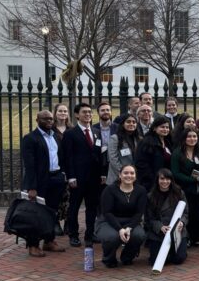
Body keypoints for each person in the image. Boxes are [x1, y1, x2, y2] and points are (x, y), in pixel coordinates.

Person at [20, 110, 67, 257]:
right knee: (37, 214)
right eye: (45, 119)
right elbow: (29, 165)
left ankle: (49, 241)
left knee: (52, 213)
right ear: (37, 120)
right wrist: (31, 187)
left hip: (56, 179)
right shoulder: (30, 138)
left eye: (51, 119)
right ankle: (33, 244)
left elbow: (60, 157)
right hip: (40, 182)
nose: (49, 121)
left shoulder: (56, 137)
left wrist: (62, 176)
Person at [62, 102, 105, 248]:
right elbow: (67, 157)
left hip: (94, 178)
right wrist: (71, 176)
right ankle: (73, 235)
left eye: (89, 112)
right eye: (84, 112)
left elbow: (99, 155)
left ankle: (90, 233)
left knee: (92, 207)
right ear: (76, 115)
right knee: (74, 207)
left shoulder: (96, 132)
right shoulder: (70, 134)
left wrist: (102, 174)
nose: (88, 115)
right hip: (77, 178)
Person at [95, 165, 147, 268]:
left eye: (132, 173)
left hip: (130, 221)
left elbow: (139, 213)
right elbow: (107, 212)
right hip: (108, 221)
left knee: (139, 235)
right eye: (126, 173)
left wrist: (129, 228)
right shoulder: (109, 190)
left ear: (135, 176)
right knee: (111, 237)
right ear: (120, 175)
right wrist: (119, 229)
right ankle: (109, 259)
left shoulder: (141, 191)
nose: (129, 175)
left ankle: (127, 257)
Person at [171, 129, 199, 246]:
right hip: (185, 188)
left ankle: (198, 237)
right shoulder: (177, 153)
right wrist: (192, 179)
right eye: (189, 136)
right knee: (189, 213)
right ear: (184, 138)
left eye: (194, 136)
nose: (192, 139)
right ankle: (188, 236)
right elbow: (175, 172)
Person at [145, 168, 188, 266]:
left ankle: (179, 250)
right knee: (155, 260)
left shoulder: (179, 193)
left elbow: (186, 213)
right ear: (157, 180)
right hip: (158, 233)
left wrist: (182, 222)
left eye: (168, 179)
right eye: (162, 179)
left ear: (171, 180)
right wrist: (160, 227)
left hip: (177, 231)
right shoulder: (150, 196)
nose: (165, 181)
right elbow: (149, 218)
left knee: (178, 259)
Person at [135, 115, 173, 192]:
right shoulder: (146, 142)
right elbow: (140, 163)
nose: (165, 129)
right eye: (162, 127)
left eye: (167, 127)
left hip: (165, 182)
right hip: (150, 183)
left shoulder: (168, 142)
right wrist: (155, 178)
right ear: (154, 128)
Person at [107, 114, 141, 184]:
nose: (131, 124)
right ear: (123, 124)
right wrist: (124, 173)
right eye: (128, 122)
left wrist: (132, 175)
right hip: (117, 177)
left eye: (134, 122)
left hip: (133, 178)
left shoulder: (139, 139)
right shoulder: (115, 138)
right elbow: (113, 158)